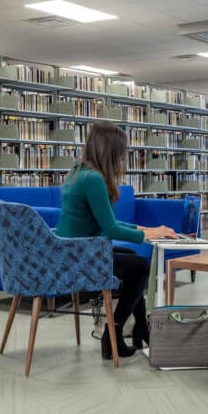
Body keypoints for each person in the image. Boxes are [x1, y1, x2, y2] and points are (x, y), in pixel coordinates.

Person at [55, 121, 176, 360]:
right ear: (109, 150)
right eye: (120, 153)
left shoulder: (78, 171)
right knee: (141, 266)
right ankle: (114, 332)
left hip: (69, 251)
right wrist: (149, 234)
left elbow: (105, 222)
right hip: (79, 256)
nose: (122, 159)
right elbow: (110, 230)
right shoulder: (93, 180)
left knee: (132, 259)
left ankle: (138, 327)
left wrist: (145, 228)